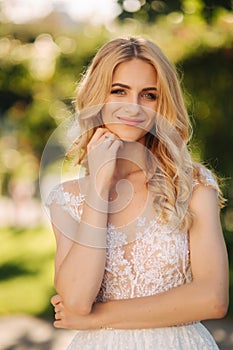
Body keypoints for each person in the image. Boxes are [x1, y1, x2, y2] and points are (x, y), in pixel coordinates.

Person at [46, 37, 229, 349]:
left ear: (163, 104)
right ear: (97, 96)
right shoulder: (67, 198)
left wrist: (95, 319)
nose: (133, 107)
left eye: (149, 95)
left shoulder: (194, 185)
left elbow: (212, 299)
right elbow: (75, 301)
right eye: (119, 91)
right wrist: (99, 189)